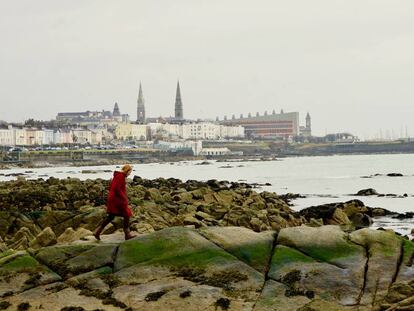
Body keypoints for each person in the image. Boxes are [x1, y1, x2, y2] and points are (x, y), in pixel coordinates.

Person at [94, 164, 136, 240]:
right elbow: (117, 188)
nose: (130, 173)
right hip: (117, 199)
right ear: (127, 171)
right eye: (130, 172)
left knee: (111, 216)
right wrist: (124, 198)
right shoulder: (120, 176)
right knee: (127, 214)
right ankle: (127, 234)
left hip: (113, 198)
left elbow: (112, 187)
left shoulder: (118, 176)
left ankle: (97, 232)